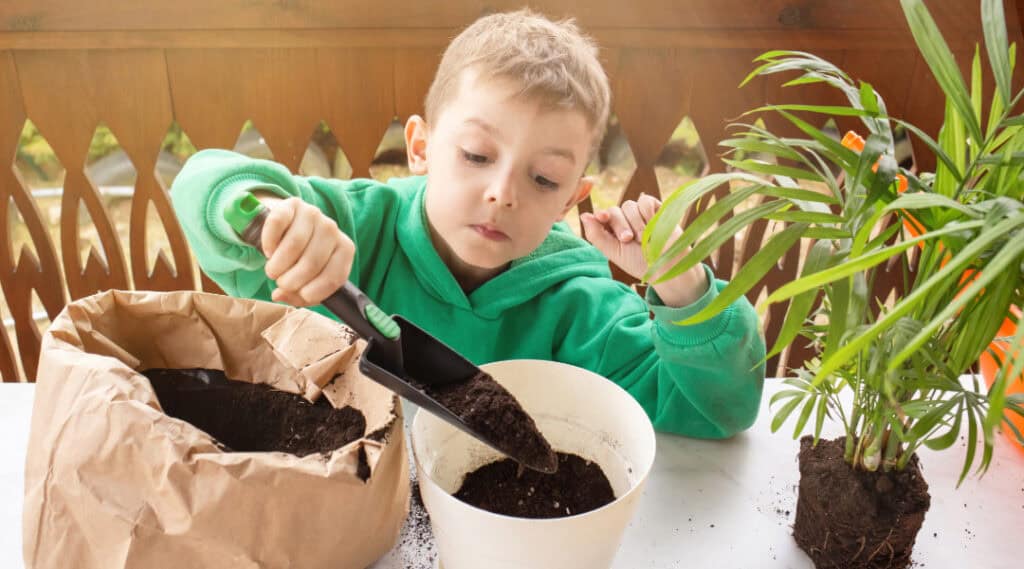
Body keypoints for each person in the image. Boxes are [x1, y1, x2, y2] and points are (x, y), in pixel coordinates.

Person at [171, 9, 765, 438]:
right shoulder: (354, 226)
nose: (502, 193)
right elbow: (204, 184)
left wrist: (685, 291)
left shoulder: (578, 308)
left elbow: (718, 411)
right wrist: (262, 211)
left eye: (544, 179)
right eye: (477, 156)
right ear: (422, 147)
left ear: (571, 200)